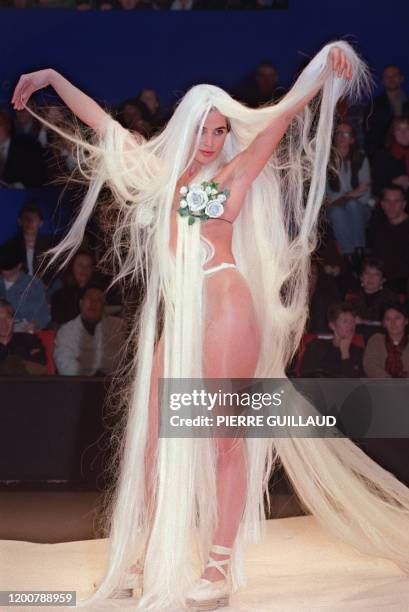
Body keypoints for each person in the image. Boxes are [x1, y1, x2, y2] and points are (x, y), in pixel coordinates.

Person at [12, 42, 409, 611]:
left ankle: (219, 564)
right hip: (183, 320)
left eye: (222, 131)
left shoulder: (233, 174)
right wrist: (51, 75)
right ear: (186, 128)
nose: (212, 141)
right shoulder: (158, 173)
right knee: (152, 444)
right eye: (205, 130)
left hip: (225, 306)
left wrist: (326, 64)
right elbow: (101, 123)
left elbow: (283, 116)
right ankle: (150, 552)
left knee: (223, 439)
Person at [325, 121, 372, 271]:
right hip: (334, 209)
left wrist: (344, 197)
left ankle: (358, 250)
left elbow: (365, 193)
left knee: (352, 206)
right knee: (338, 211)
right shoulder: (326, 161)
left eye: (346, 134)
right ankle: (350, 254)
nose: (341, 137)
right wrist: (353, 193)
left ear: (352, 139)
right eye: (338, 133)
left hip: (360, 209)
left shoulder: (361, 159)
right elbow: (328, 196)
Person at [54, 284, 124, 376]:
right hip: (77, 386)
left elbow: (124, 362)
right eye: (89, 298)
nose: (93, 303)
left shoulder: (118, 327)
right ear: (81, 303)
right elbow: (65, 366)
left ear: (103, 306)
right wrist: (91, 376)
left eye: (98, 300)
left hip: (114, 385)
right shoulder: (66, 332)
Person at [300, 302, 365, 377]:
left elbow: (354, 385)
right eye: (345, 321)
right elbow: (306, 376)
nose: (350, 326)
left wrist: (345, 353)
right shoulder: (316, 347)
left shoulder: (359, 352)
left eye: (353, 321)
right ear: (332, 326)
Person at [366, 185, 409, 293]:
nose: (391, 205)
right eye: (387, 201)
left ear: (404, 204)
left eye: (396, 201)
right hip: (383, 286)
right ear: (382, 204)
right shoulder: (379, 229)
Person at [0, 243, 50, 332]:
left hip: (24, 334)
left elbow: (43, 314)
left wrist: (36, 324)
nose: (4, 270)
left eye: (8, 267)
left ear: (19, 265)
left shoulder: (33, 284)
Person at [347, 257, 398, 344]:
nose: (371, 278)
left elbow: (395, 323)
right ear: (361, 277)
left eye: (376, 274)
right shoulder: (351, 297)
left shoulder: (391, 298)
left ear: (382, 280)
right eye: (367, 273)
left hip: (383, 339)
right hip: (356, 340)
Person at [364, 65, 409, 157]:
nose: (391, 78)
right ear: (382, 81)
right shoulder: (374, 105)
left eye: (394, 75)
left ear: (401, 78)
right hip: (383, 155)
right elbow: (368, 133)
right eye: (387, 76)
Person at [0, 298, 47, 375]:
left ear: (14, 320)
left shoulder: (30, 340)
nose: (3, 323)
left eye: (7, 317)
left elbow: (40, 366)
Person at [50, 249, 96, 327]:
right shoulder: (59, 295)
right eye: (80, 265)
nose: (84, 269)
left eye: (88, 266)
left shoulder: (98, 293)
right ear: (71, 267)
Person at [363, 302, 409, 378]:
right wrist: (388, 381)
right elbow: (370, 365)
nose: (393, 323)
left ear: (406, 321)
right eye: (388, 319)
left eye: (397, 318)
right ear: (383, 323)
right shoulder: (376, 340)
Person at [372, 115, 409, 201]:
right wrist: (393, 182)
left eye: (407, 129)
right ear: (393, 133)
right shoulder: (382, 155)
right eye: (398, 129)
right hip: (392, 204)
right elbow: (376, 188)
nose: (403, 133)